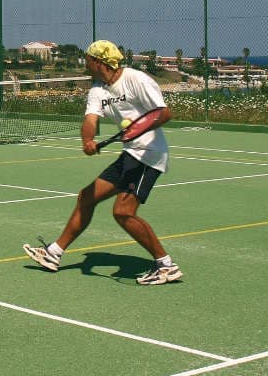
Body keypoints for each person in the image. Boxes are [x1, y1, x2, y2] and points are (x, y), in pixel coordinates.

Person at [23, 40, 182, 285]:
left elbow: (164, 113)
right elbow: (91, 119)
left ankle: (166, 265)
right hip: (130, 154)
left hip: (149, 154)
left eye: (87, 59)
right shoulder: (98, 89)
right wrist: (87, 140)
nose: (85, 63)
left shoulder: (135, 79)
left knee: (123, 212)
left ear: (99, 61)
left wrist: (137, 131)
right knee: (86, 197)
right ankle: (54, 254)